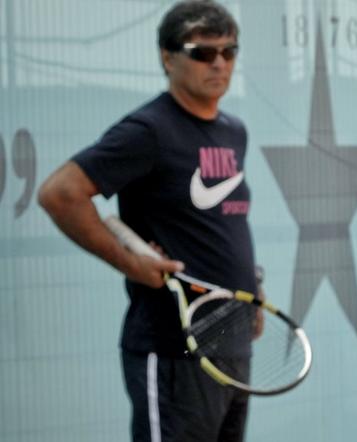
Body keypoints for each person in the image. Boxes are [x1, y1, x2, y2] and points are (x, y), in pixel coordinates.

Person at [37, 1, 261, 441]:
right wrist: (130, 262)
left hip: (231, 346)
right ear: (167, 57)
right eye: (202, 53)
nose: (218, 63)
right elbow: (60, 193)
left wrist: (253, 285)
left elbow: (221, 224)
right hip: (174, 348)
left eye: (229, 52)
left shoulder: (233, 130)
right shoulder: (148, 131)